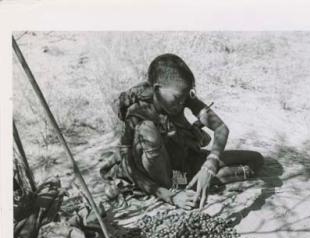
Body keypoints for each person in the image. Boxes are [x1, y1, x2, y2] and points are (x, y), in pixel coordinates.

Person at [110, 53, 264, 210]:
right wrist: (171, 196)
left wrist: (210, 165)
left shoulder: (181, 94)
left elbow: (220, 128)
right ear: (157, 89)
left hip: (183, 164)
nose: (181, 103)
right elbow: (129, 167)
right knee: (148, 130)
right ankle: (179, 186)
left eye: (185, 98)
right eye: (177, 98)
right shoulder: (137, 111)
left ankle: (192, 182)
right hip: (162, 178)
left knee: (255, 160)